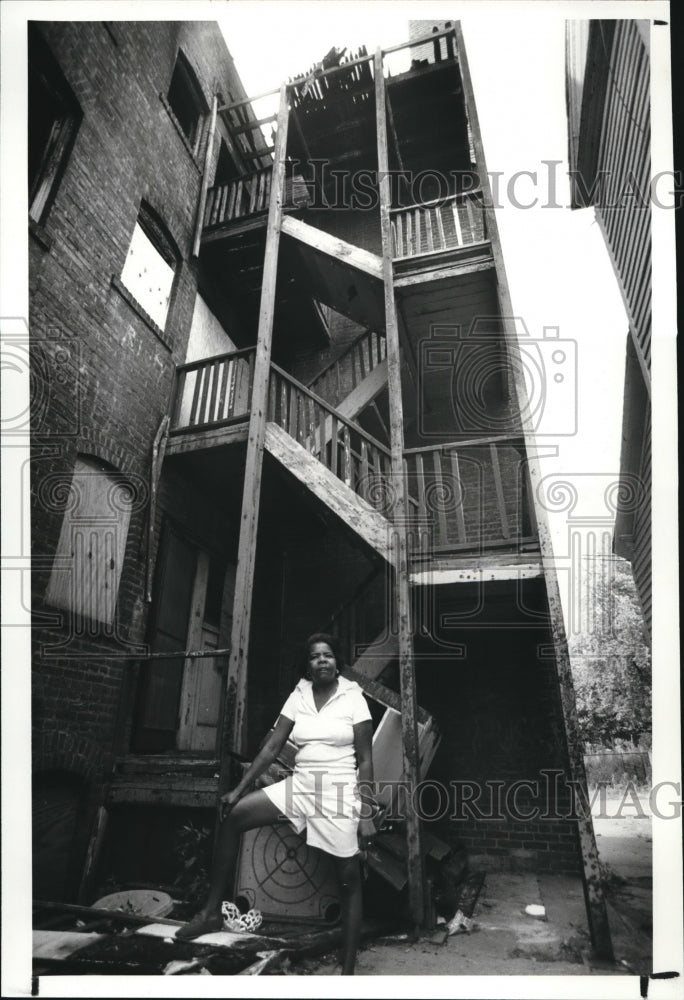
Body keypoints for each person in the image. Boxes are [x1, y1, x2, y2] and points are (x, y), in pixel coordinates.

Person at [176, 632, 378, 975]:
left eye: (328, 655)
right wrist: (238, 789)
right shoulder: (299, 694)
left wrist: (367, 813)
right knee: (235, 817)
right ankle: (210, 913)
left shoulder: (352, 696)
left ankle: (347, 969)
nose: (322, 660)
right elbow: (272, 748)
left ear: (337, 661)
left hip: (338, 791)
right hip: (300, 786)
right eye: (315, 656)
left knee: (348, 878)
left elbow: (366, 758)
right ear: (308, 665)